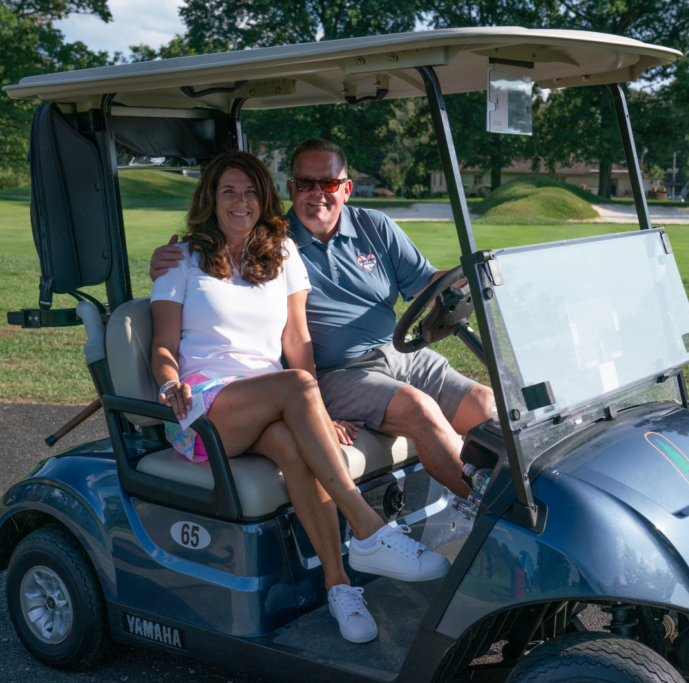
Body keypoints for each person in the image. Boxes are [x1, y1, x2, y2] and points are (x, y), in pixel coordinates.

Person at [150, 150, 449, 644]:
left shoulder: (283, 256)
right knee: (298, 384)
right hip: (205, 410)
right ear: (211, 199)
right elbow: (163, 344)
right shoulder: (181, 260)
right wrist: (167, 382)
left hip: (269, 403)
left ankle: (339, 588)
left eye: (250, 192)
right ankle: (370, 531)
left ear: (264, 199)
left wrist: (317, 413)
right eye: (229, 191)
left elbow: (297, 343)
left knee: (296, 449)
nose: (240, 201)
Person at [151, 139, 496, 500]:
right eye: (305, 184)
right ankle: (493, 510)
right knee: (421, 410)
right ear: (290, 189)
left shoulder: (374, 226)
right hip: (339, 373)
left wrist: (474, 274)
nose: (317, 193)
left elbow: (427, 280)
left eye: (328, 184)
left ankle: (527, 492)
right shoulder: (271, 243)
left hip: (400, 354)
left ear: (346, 188)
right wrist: (168, 259)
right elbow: (219, 271)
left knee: (488, 404)